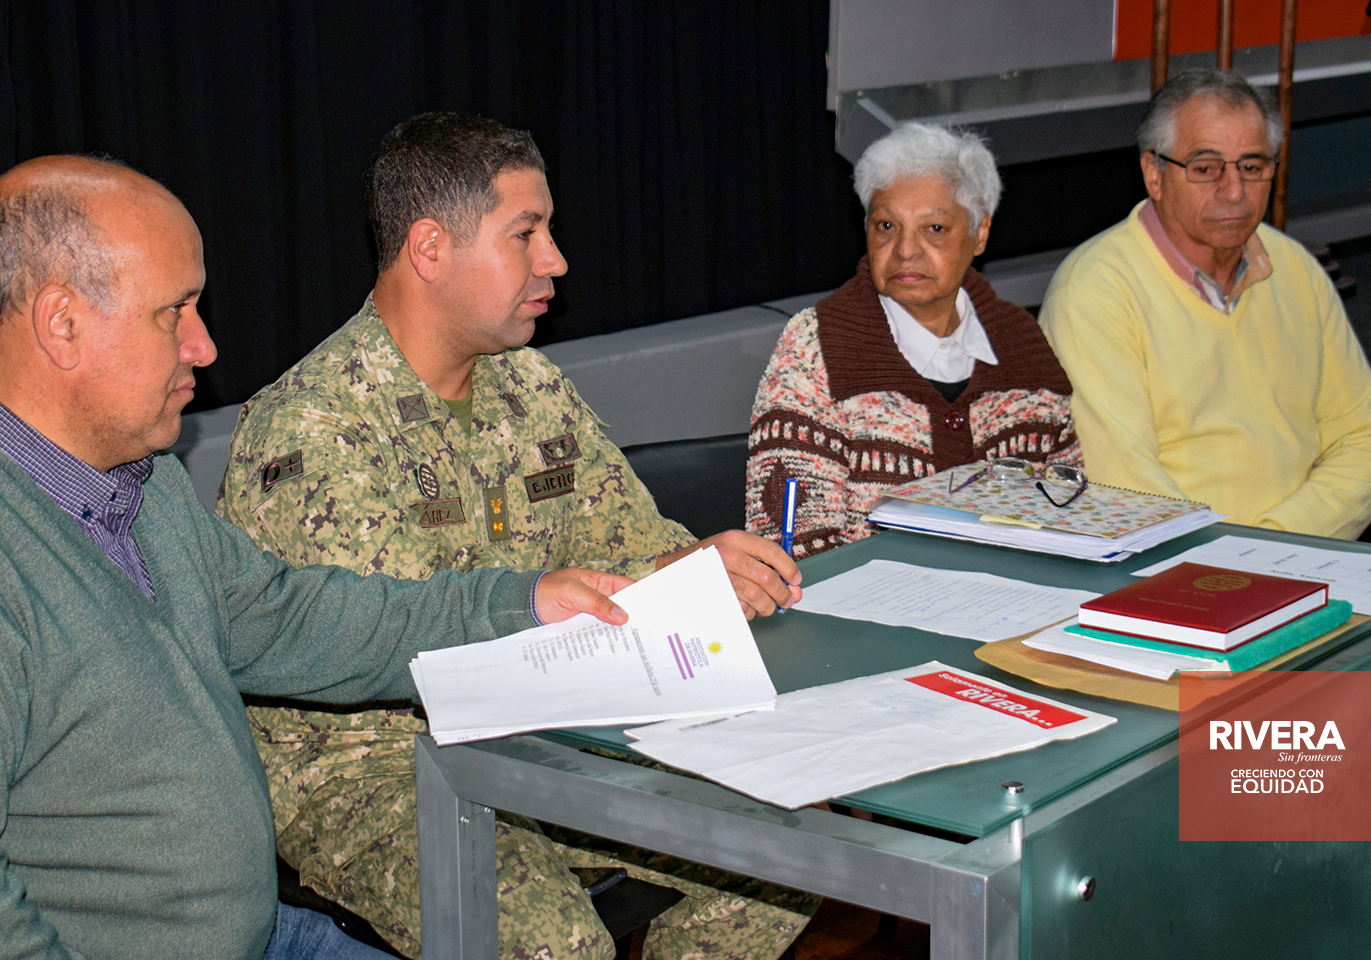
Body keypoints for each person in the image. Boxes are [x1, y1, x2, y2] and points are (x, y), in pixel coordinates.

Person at [0, 154, 632, 960]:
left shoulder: (135, 479)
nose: (203, 345)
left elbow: (289, 616)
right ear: (62, 325)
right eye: (174, 311)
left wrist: (519, 605)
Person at [217, 114, 814, 960]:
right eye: (526, 234)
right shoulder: (315, 429)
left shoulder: (526, 385)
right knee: (552, 945)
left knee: (790, 842)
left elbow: (626, 540)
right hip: (371, 766)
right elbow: (399, 658)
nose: (556, 261)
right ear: (431, 249)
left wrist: (692, 568)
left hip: (546, 733)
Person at [1040, 69, 1371, 540]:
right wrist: (1242, 561)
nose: (1234, 191)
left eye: (1252, 167)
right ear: (1154, 174)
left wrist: (1283, 541)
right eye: (1205, 168)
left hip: (1303, 555)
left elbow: (1362, 439)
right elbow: (1125, 490)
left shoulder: (1296, 269)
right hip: (1172, 569)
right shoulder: (1094, 293)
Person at [746, 123, 1081, 558]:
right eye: (886, 225)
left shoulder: (1021, 346)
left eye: (934, 228)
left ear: (979, 233)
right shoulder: (818, 347)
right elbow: (790, 548)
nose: (905, 249)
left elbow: (1068, 511)